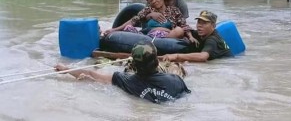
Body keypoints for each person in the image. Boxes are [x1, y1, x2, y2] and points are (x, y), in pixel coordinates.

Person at [55, 43, 191, 104]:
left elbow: (92, 74)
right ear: (157, 62)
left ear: (133, 66)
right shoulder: (176, 80)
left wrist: (66, 69)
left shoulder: (126, 80)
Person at [103, 0, 197, 41]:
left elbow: (183, 24)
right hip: (147, 36)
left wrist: (191, 36)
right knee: (128, 28)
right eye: (151, 0)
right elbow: (133, 20)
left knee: (179, 30)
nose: (154, 1)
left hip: (166, 38)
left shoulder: (174, 10)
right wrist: (114, 29)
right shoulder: (148, 10)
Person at [161, 10, 231, 62]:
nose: (200, 25)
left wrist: (176, 56)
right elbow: (185, 30)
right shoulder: (201, 33)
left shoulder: (213, 39)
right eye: (199, 22)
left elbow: (202, 57)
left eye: (204, 23)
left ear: (213, 26)